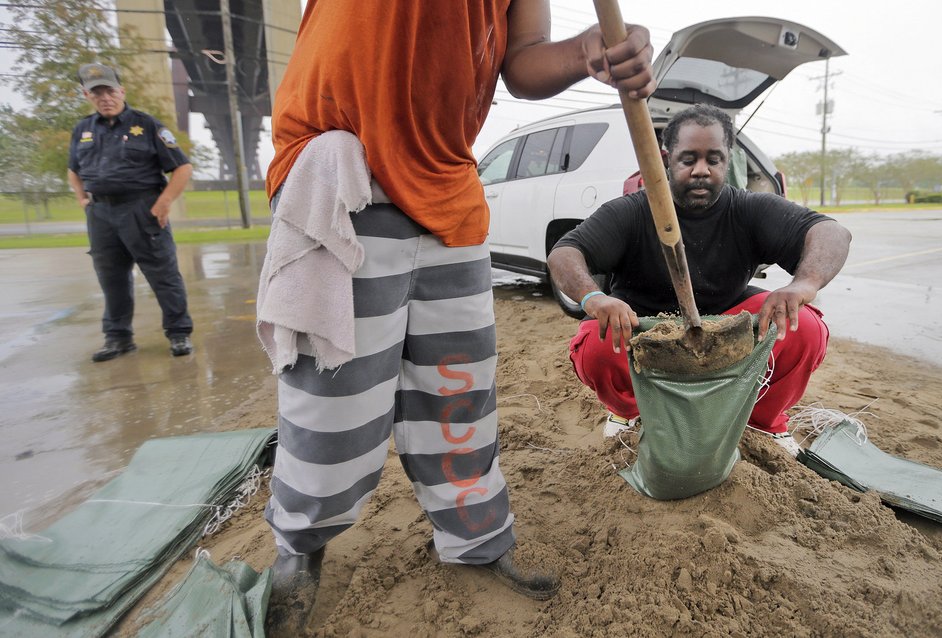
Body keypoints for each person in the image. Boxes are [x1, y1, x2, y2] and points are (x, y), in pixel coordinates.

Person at [257, 1, 655, 632]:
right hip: (348, 164)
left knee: (459, 383)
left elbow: (520, 63)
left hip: (448, 182)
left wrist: (588, 51)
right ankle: (299, 549)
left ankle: (475, 540)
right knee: (338, 392)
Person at [547, 104, 851, 453]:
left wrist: (803, 284)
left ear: (728, 160)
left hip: (727, 325)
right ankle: (628, 411)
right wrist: (593, 298)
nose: (702, 171)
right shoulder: (630, 211)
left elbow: (832, 232)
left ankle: (763, 422)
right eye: (689, 159)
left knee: (804, 328)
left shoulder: (748, 209)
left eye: (714, 159)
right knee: (597, 346)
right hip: (642, 327)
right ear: (666, 158)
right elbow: (565, 253)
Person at [67, 63, 194, 362]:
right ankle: (118, 338)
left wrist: (163, 203)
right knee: (111, 278)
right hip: (101, 214)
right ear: (88, 96)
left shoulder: (146, 125)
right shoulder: (82, 129)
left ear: (121, 91)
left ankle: (179, 333)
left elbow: (182, 167)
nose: (105, 98)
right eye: (97, 93)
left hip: (141, 209)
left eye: (110, 91)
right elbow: (73, 170)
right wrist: (83, 200)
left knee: (163, 275)